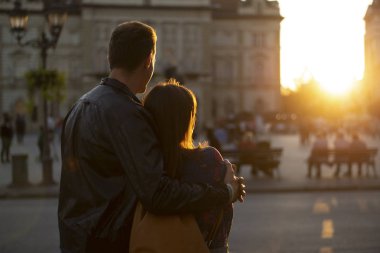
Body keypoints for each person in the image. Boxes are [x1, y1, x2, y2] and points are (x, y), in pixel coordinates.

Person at [58, 21, 244, 253]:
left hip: (75, 239)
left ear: (111, 58)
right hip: (110, 240)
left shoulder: (80, 106)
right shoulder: (127, 113)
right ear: (149, 60)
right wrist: (224, 192)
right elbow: (158, 194)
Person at [143, 80, 233, 252]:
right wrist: (229, 190)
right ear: (189, 118)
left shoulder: (141, 162)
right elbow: (222, 222)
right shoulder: (209, 160)